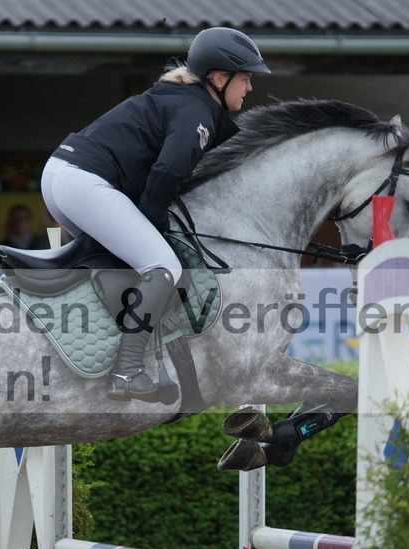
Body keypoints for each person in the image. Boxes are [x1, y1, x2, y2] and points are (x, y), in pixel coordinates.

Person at [40, 27, 270, 402]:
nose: (249, 87)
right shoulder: (197, 111)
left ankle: (99, 345)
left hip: (62, 177)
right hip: (84, 182)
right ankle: (127, 371)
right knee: (164, 266)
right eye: (245, 78)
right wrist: (158, 226)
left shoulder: (182, 98)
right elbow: (167, 173)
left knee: (131, 263)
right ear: (218, 78)